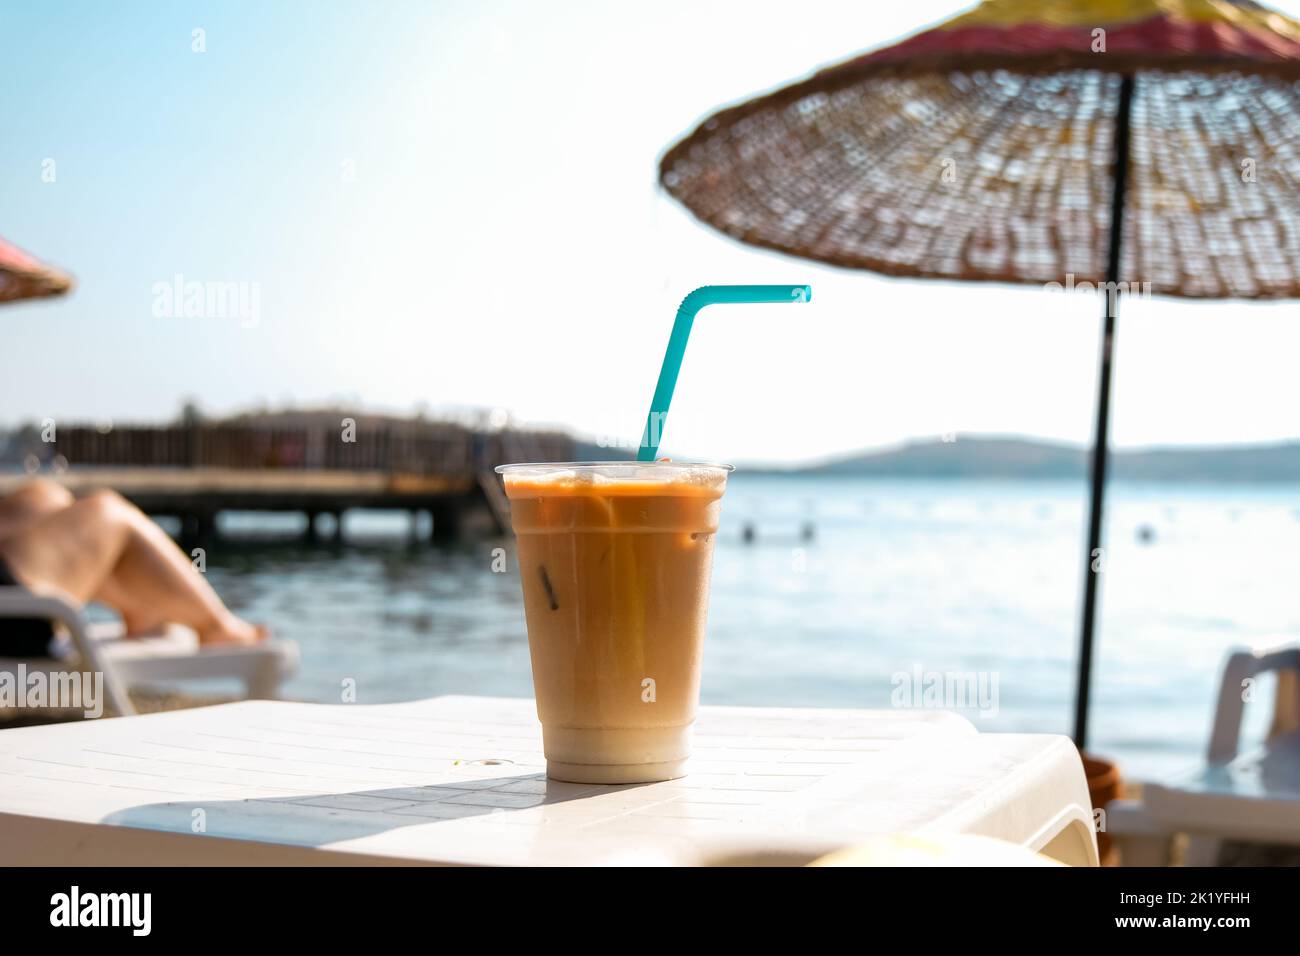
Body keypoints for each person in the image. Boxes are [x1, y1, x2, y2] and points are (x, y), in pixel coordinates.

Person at [0, 478, 267, 652]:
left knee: (43, 494)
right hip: (15, 620)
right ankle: (216, 627)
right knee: (109, 512)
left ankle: (139, 608)